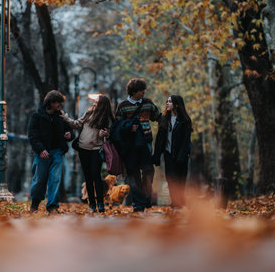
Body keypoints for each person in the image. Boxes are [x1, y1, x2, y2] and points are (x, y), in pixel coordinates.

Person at [113, 78, 161, 212]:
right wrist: (129, 128)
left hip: (146, 144)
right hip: (130, 146)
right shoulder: (122, 106)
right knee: (133, 174)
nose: (143, 93)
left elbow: (159, 117)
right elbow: (117, 126)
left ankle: (146, 196)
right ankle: (138, 204)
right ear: (134, 91)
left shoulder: (148, 103)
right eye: (141, 90)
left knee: (148, 171)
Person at [60, 95, 114, 213]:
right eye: (94, 102)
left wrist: (106, 134)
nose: (94, 104)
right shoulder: (89, 113)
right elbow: (77, 124)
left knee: (96, 175)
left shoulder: (107, 118)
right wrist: (66, 118)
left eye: (97, 102)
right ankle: (92, 204)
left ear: (103, 105)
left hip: (96, 149)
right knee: (88, 177)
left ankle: (100, 203)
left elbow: (111, 133)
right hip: (83, 149)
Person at [28, 90, 74, 213]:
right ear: (51, 102)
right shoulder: (37, 116)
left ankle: (53, 207)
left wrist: (69, 134)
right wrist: (41, 149)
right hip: (42, 154)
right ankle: (34, 205)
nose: (60, 104)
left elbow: (70, 131)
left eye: (61, 102)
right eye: (58, 102)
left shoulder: (61, 116)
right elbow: (32, 136)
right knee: (39, 180)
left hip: (57, 153)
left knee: (55, 179)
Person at [154, 95, 192, 208]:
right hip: (168, 154)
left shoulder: (184, 120)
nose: (167, 103)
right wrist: (157, 155)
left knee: (180, 179)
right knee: (170, 178)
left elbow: (186, 141)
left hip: (181, 155)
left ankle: (179, 201)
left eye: (170, 102)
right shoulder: (164, 119)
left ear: (176, 104)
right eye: (167, 101)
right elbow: (159, 139)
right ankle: (175, 202)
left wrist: (182, 155)